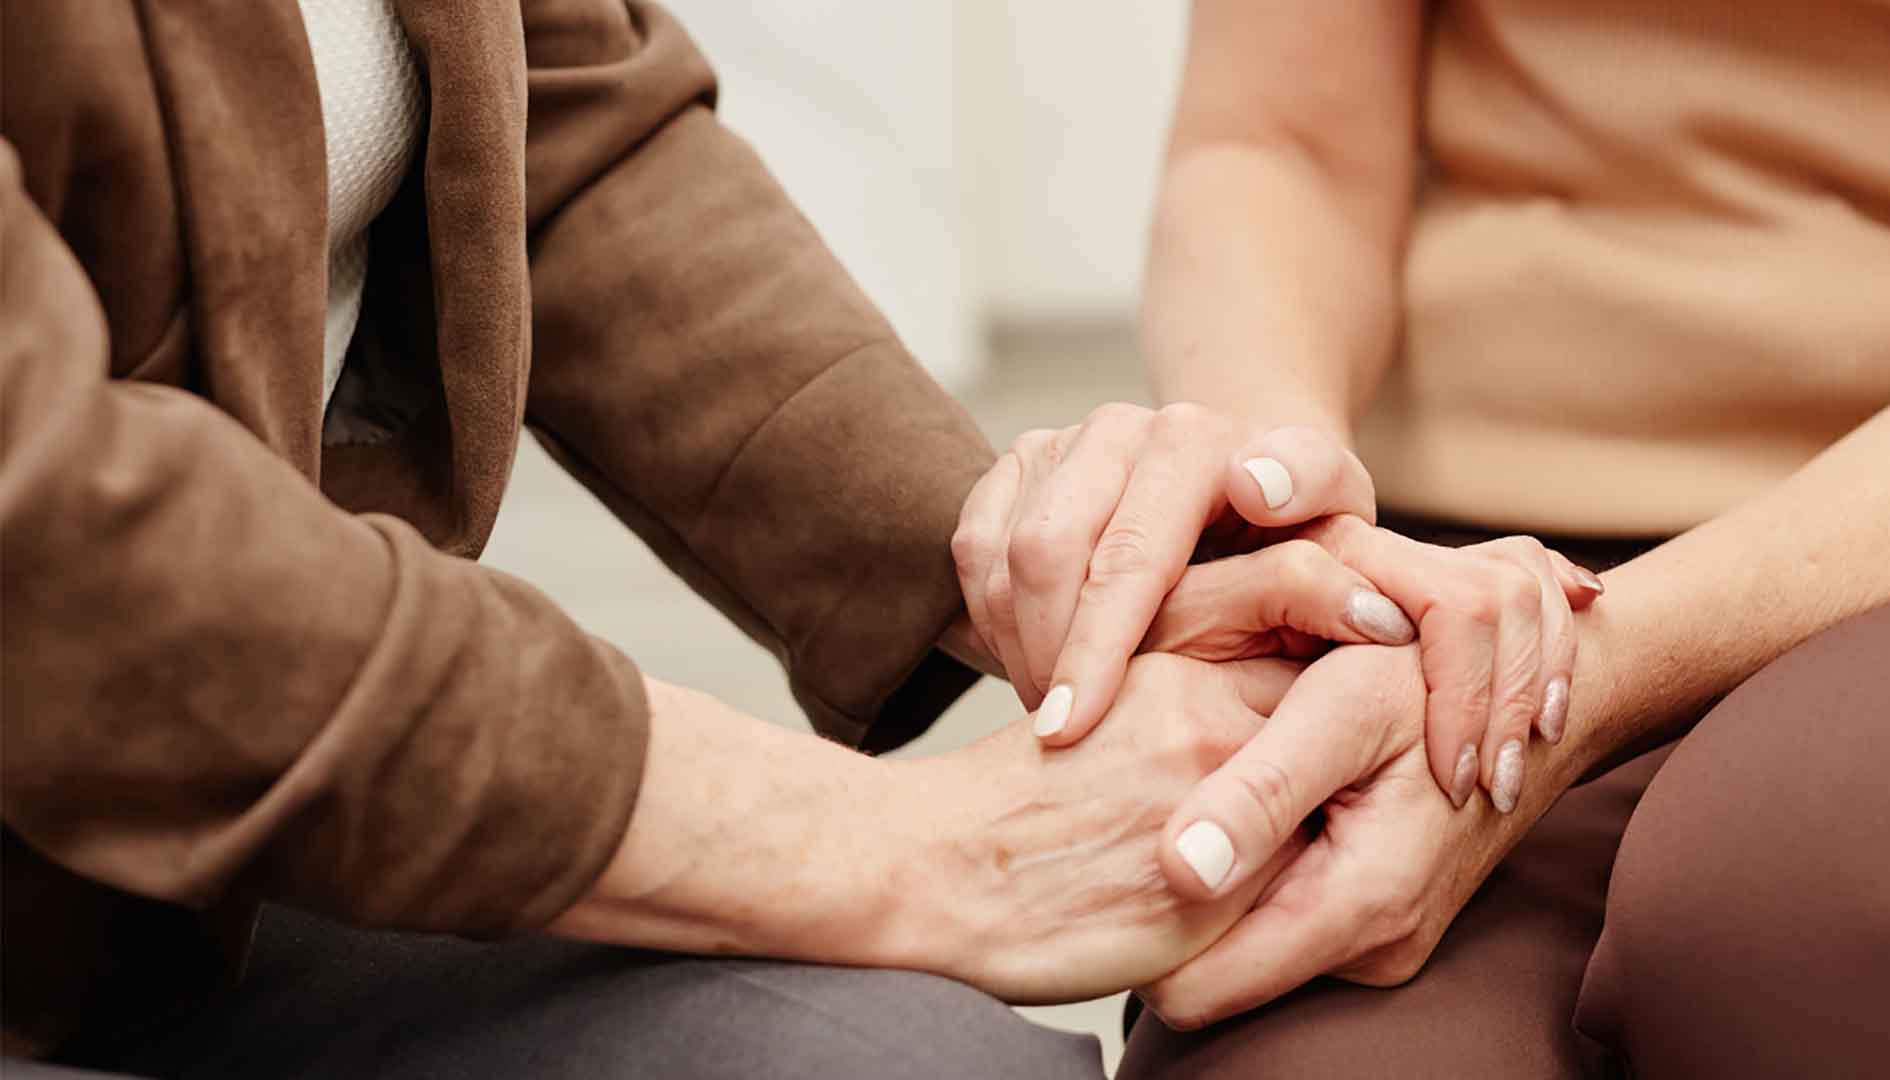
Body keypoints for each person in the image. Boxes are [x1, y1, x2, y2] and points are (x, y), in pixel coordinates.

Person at [0, 2, 1440, 1075]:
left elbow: (560, 131)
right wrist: (916, 847)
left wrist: (1044, 559)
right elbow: (49, 527)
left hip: (219, 866)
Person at [953, 1, 1890, 1075]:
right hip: (1451, 568)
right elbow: (1281, 141)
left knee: (1774, 915)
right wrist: (1288, 506)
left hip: (1879, 566)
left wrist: (1569, 674)